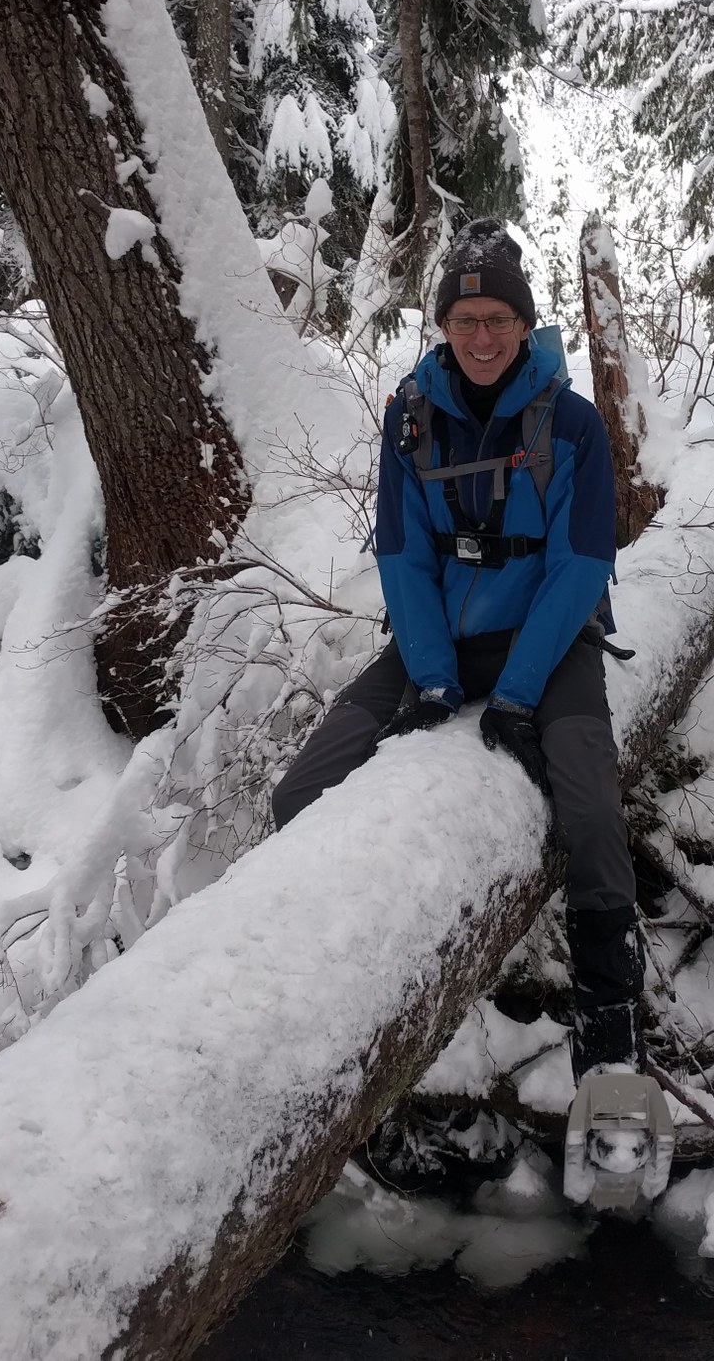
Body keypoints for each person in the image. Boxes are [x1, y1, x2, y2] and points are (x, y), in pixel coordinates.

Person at [271, 217, 643, 1084]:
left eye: (498, 320)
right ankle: (346, 974)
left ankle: (610, 1021)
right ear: (442, 326)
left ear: (524, 325)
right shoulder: (410, 420)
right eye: (466, 320)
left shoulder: (572, 425)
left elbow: (580, 567)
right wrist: (435, 680)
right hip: (435, 642)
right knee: (300, 792)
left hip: (549, 642)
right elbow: (402, 557)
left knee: (591, 811)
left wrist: (516, 693)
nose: (482, 337)